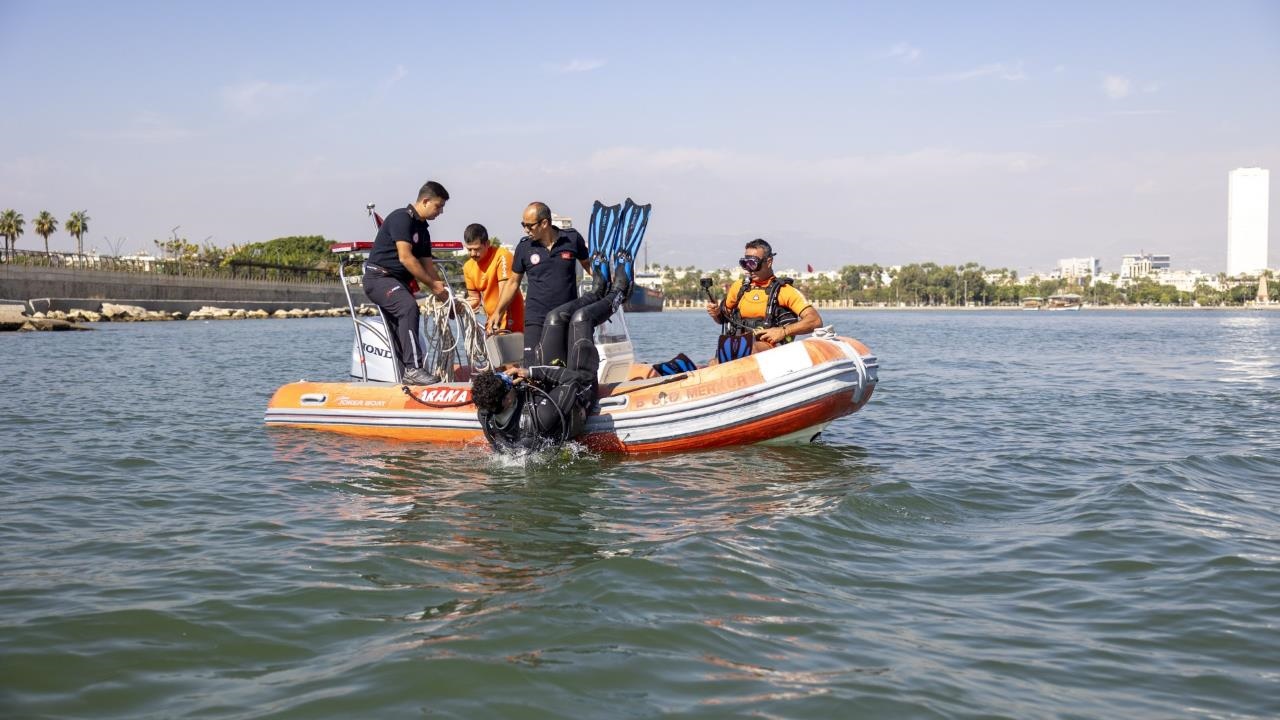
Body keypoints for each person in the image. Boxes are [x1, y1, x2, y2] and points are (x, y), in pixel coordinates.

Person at [472, 258, 632, 451]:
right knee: (581, 319)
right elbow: (574, 380)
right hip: (579, 392)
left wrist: (510, 379)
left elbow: (489, 395)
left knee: (554, 318)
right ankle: (618, 294)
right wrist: (531, 373)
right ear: (506, 400)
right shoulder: (541, 416)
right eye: (506, 382)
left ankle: (596, 292)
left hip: (548, 390)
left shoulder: (486, 412)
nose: (508, 377)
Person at [363, 181, 450, 386]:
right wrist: (433, 286)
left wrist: (445, 294)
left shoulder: (423, 230)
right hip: (379, 278)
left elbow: (428, 266)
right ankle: (413, 369)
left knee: (398, 326)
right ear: (426, 201)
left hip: (397, 282)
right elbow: (406, 258)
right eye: (439, 206)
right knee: (408, 307)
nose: (441, 211)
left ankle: (404, 374)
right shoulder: (401, 218)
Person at [486, 202, 591, 365]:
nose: (525, 230)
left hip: (567, 316)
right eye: (523, 225)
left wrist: (607, 284)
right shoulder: (524, 247)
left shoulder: (572, 238)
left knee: (566, 365)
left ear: (544, 223)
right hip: (536, 318)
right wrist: (498, 312)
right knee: (531, 366)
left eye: (529, 226)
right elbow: (513, 282)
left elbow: (588, 265)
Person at [706, 238, 823, 358]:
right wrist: (716, 313)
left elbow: (815, 321)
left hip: (770, 349)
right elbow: (722, 319)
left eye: (753, 263)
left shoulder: (785, 291)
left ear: (769, 262)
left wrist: (783, 331)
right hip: (736, 348)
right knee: (714, 362)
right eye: (745, 264)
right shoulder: (738, 287)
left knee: (749, 349)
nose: (749, 269)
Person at [462, 223, 524, 333]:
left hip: (511, 323)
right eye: (469, 249)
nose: (472, 254)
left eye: (476, 249)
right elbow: (474, 299)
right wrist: (459, 305)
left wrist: (497, 316)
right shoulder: (468, 267)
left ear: (487, 244)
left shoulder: (502, 256)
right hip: (492, 324)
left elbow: (505, 291)